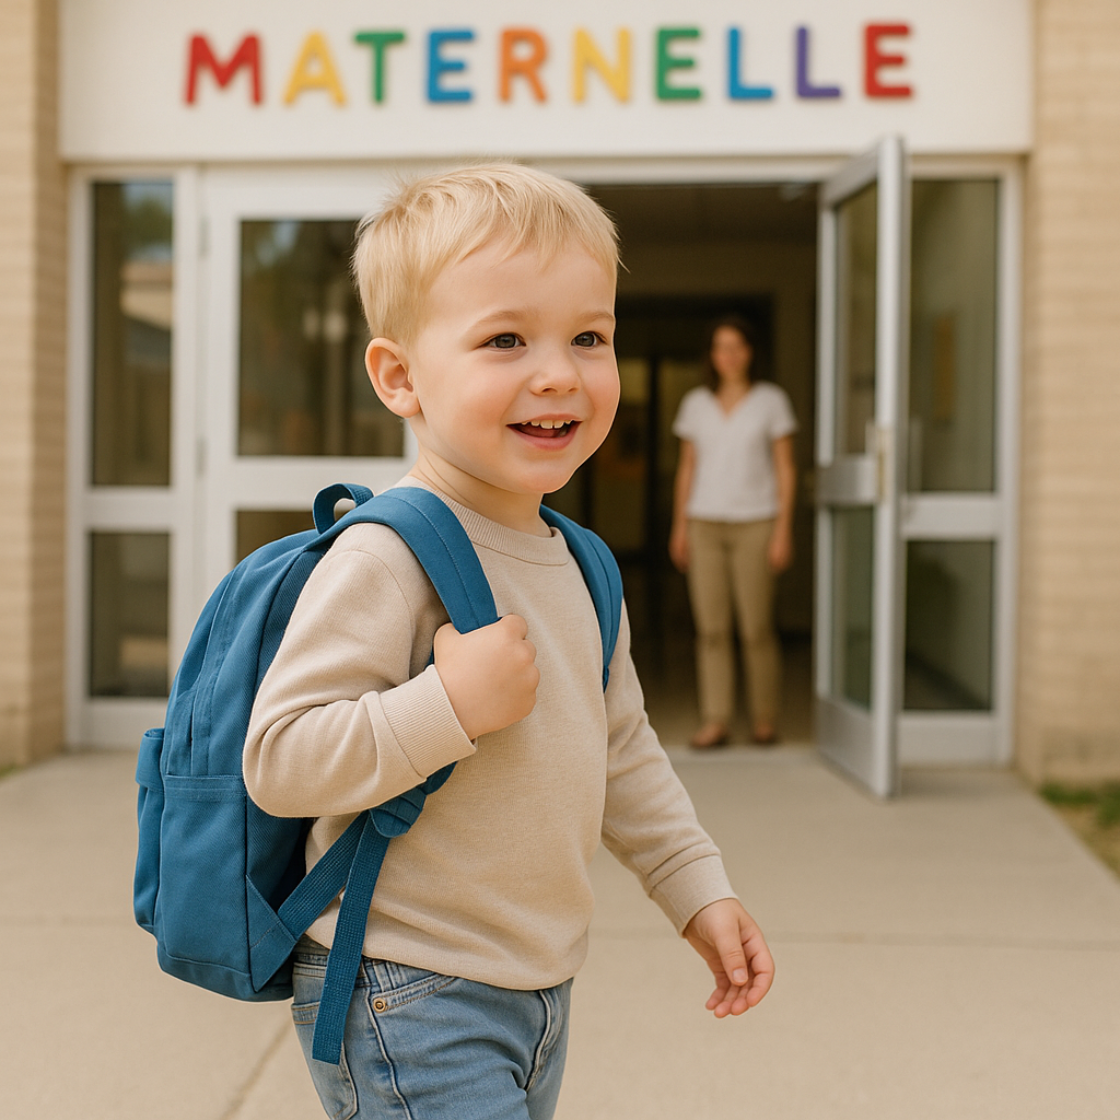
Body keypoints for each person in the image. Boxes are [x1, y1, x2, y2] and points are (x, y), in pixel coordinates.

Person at [242, 165, 774, 1120]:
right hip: (405, 989)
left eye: (589, 337)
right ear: (399, 376)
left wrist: (698, 889)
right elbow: (281, 760)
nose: (560, 371)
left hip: (538, 988)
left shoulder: (580, 561)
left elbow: (623, 752)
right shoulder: (389, 555)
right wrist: (447, 708)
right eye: (505, 339)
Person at [669, 316, 798, 750]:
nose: (729, 355)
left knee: (757, 627)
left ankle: (764, 719)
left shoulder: (770, 401)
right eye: (721, 347)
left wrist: (783, 529)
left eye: (737, 346)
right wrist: (679, 526)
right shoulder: (695, 404)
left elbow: (785, 468)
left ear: (750, 352)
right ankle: (716, 720)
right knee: (711, 629)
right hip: (704, 524)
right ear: (712, 356)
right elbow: (687, 469)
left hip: (757, 524)